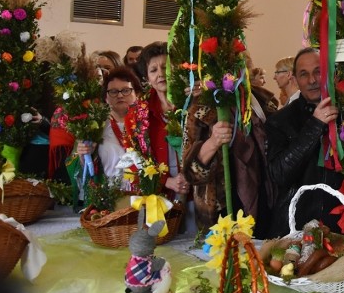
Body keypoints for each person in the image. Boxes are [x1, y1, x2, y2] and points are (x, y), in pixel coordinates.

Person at [182, 55, 278, 235]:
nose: (231, 74)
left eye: (238, 66)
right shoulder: (201, 106)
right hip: (222, 207)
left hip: (266, 198)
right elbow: (191, 173)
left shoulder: (262, 102)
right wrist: (213, 142)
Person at [266, 48, 344, 238]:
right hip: (297, 227)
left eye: (318, 72)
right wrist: (315, 125)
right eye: (304, 74)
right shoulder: (280, 120)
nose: (312, 80)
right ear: (295, 79)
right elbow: (279, 174)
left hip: (343, 224)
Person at [74, 67, 143, 181]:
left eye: (126, 90)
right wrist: (83, 156)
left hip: (143, 194)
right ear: (105, 97)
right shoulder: (95, 126)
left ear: (137, 93)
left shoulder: (146, 123)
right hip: (108, 193)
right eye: (113, 91)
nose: (120, 96)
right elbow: (82, 172)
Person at [138, 42, 188, 198]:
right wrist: (166, 181)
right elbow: (136, 158)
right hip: (160, 194)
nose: (160, 74)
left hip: (196, 189)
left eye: (165, 67)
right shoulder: (139, 113)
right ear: (147, 78)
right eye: (153, 70)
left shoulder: (190, 103)